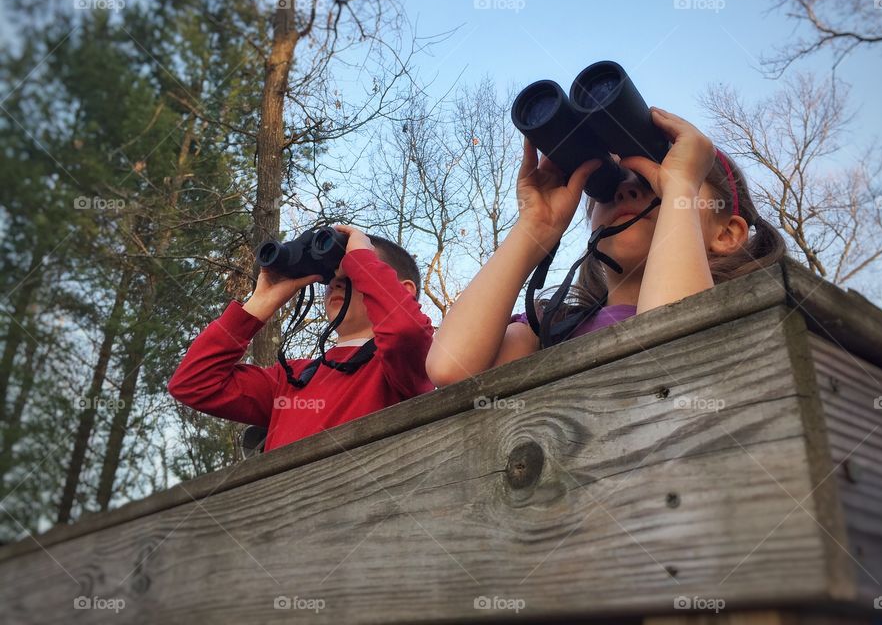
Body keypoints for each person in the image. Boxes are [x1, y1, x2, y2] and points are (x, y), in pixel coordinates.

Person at [426, 107, 785, 386]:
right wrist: (537, 225)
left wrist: (679, 190)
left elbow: (675, 356)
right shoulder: (546, 332)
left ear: (725, 234)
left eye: (655, 178)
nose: (626, 189)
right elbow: (449, 368)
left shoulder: (747, 325)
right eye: (609, 183)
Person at [168, 225, 435, 452]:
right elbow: (193, 383)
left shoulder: (406, 363)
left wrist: (361, 256)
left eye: (353, 274)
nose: (337, 283)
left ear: (403, 291)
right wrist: (259, 304)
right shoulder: (292, 378)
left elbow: (404, 330)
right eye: (332, 277)